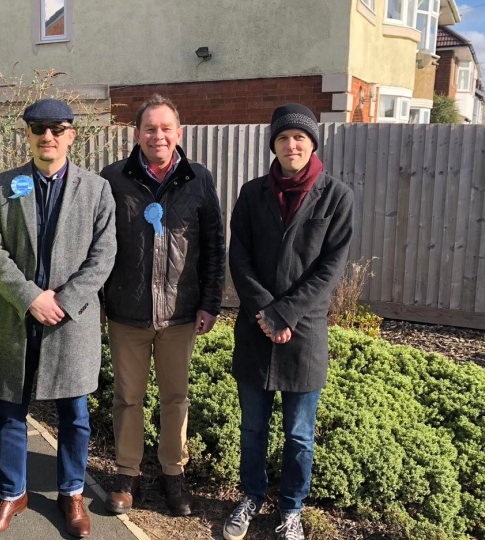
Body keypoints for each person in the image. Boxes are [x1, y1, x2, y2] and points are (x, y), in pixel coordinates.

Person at [0, 99, 117, 538]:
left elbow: (104, 255)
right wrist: (31, 297)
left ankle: (71, 492)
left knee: (74, 413)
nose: (47, 136)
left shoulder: (96, 190)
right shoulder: (2, 187)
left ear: (72, 135)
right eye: (38, 128)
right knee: (10, 411)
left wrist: (64, 301)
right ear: (28, 135)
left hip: (70, 321)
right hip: (15, 316)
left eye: (56, 128)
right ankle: (12, 492)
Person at [223, 103, 354, 540]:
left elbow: (330, 268)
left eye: (298, 137)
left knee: (299, 435)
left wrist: (286, 313)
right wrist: (265, 310)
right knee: (252, 427)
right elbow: (238, 257)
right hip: (256, 330)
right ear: (273, 146)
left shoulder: (336, 197)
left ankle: (291, 508)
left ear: (312, 143)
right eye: (282, 138)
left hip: (304, 333)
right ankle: (251, 495)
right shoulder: (252, 193)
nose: (290, 144)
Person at [99, 94, 225, 516]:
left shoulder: (199, 179)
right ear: (137, 134)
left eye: (165, 128)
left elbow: (213, 246)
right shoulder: (113, 179)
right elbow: (99, 246)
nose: (158, 136)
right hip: (126, 311)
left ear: (179, 133)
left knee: (176, 398)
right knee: (127, 398)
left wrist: (210, 302)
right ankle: (127, 474)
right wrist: (100, 300)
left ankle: (174, 474)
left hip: (181, 313)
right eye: (150, 128)